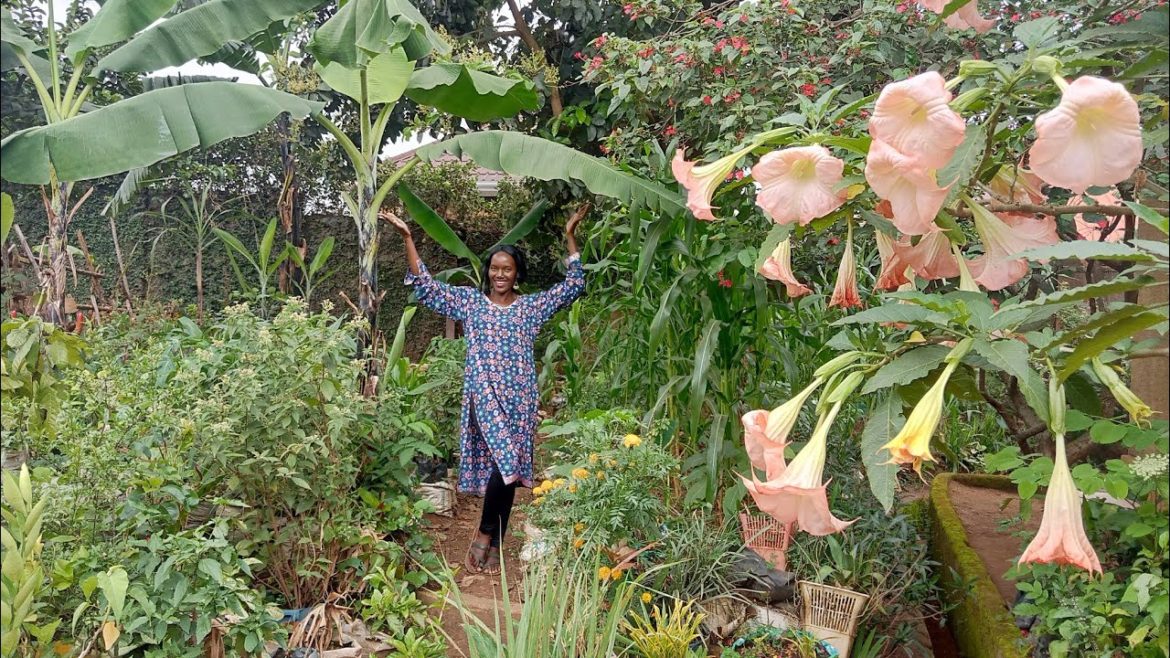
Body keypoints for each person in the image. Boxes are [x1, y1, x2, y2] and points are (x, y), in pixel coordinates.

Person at [380, 203, 590, 575]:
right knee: (506, 465)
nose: (499, 274)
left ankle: (496, 541)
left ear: (517, 273)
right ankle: (483, 533)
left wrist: (570, 236)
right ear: (488, 272)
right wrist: (408, 237)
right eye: (495, 268)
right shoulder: (472, 304)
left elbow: (574, 286)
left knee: (506, 472)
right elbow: (426, 287)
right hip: (484, 396)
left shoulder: (530, 308)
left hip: (520, 401)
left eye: (506, 269)